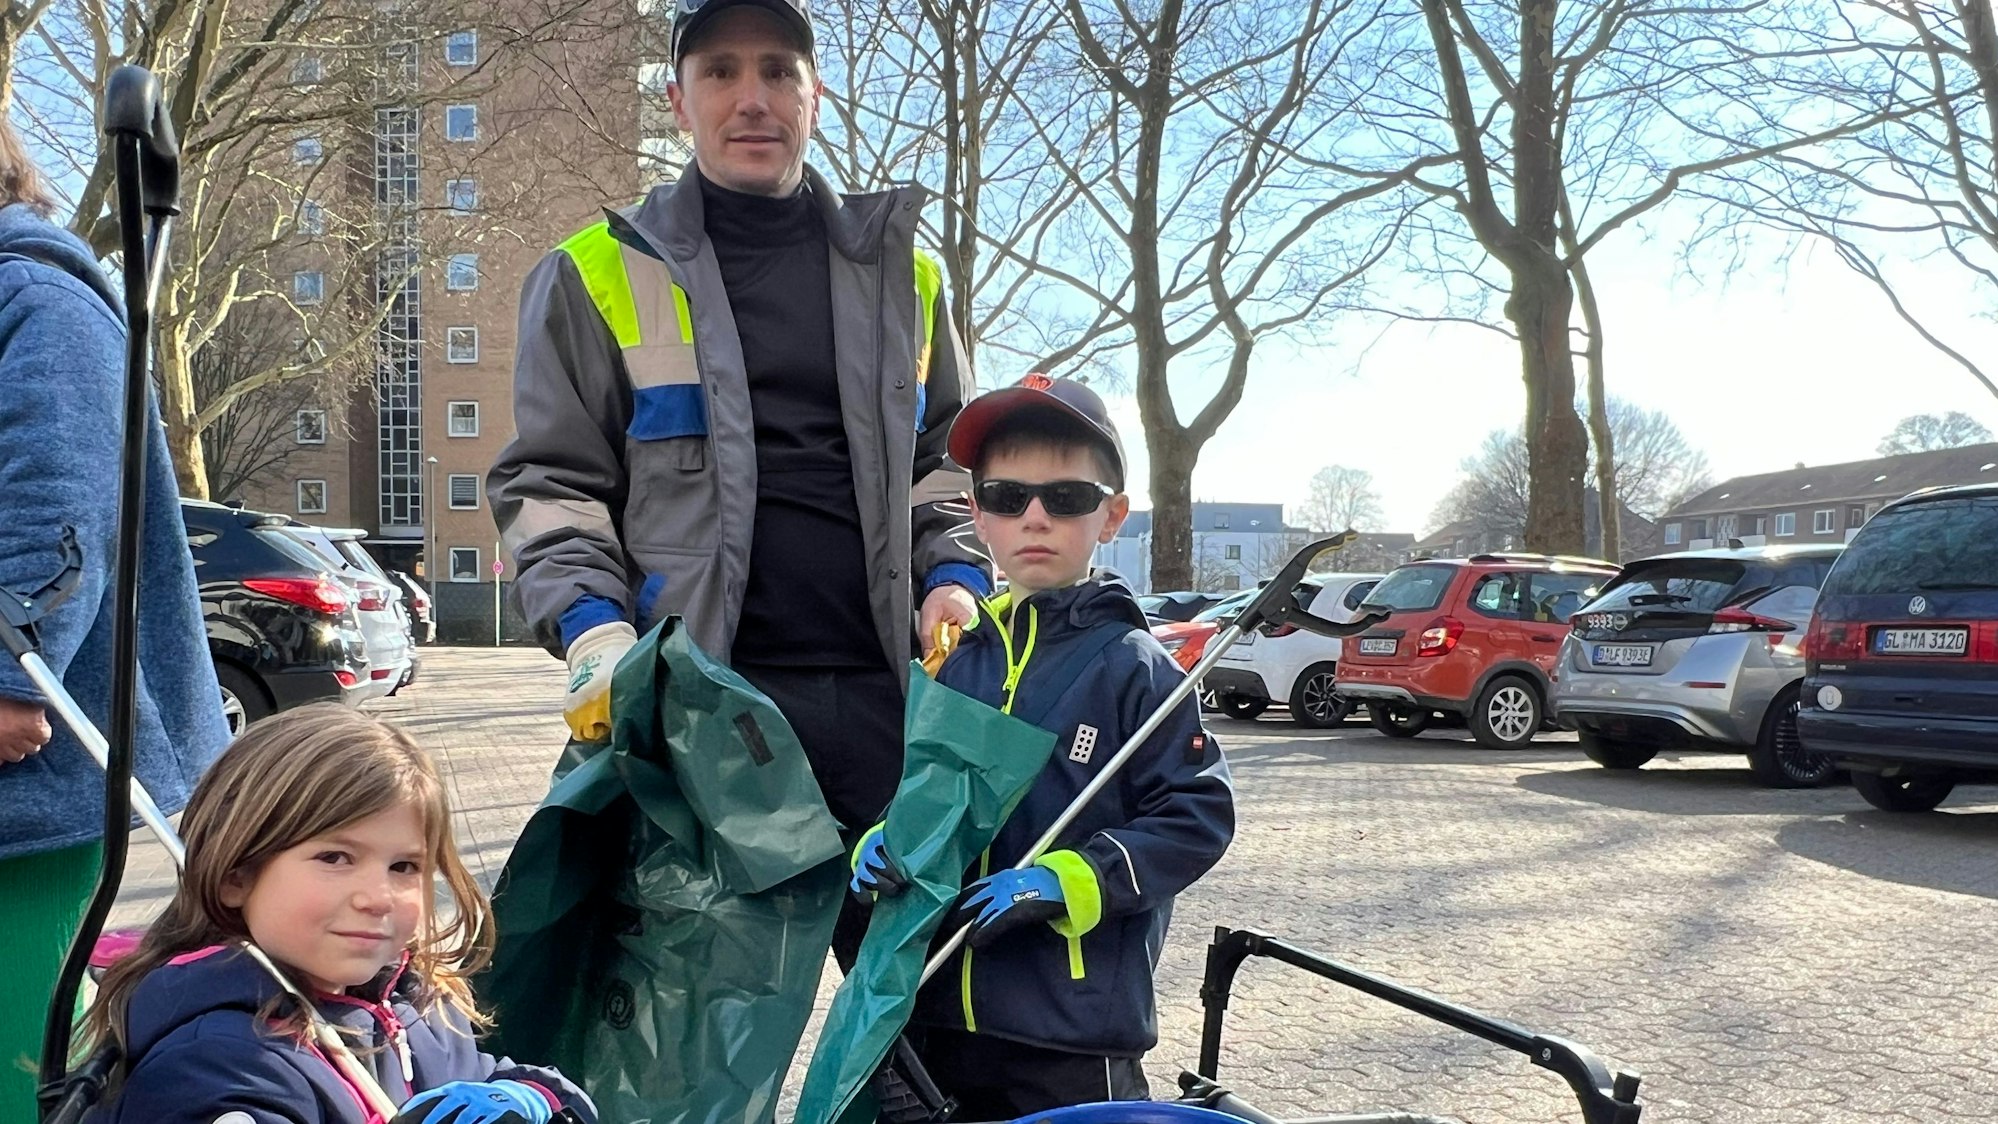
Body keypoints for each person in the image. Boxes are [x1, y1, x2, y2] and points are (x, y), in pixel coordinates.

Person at [487, 0, 990, 835]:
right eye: (720, 71)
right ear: (679, 102)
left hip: (892, 705)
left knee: (907, 927)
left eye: (778, 71)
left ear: (814, 97)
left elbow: (949, 465)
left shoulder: (909, 279)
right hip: (699, 715)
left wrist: (954, 578)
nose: (752, 98)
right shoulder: (592, 274)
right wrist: (592, 630)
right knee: (694, 938)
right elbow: (552, 482)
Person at [851, 375, 1238, 1118]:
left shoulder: (1137, 668)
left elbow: (1196, 816)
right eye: (1006, 497)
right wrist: (881, 842)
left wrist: (1068, 881)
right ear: (977, 514)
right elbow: (919, 793)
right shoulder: (955, 660)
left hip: (1070, 1033)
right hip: (937, 1016)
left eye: (1066, 498)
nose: (1034, 517)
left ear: (1111, 516)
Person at [0, 120, 230, 1117]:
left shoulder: (33, 297)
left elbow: (58, 503)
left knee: (18, 1057)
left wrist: (11, 671)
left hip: (27, 789)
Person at [81, 704, 597, 1124]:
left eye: (404, 866)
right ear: (235, 875)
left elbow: (488, 1077)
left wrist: (537, 1098)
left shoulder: (410, 1002)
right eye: (335, 858)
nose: (378, 897)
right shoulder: (215, 1068)